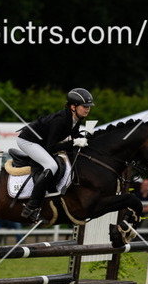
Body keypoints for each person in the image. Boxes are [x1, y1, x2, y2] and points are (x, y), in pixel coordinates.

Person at [16, 87, 93, 220]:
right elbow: (51, 148)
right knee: (51, 165)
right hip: (27, 141)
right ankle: (31, 206)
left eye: (89, 106)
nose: (88, 109)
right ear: (73, 107)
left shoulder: (75, 119)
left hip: (41, 143)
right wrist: (74, 142)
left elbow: (74, 137)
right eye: (85, 106)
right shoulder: (61, 120)